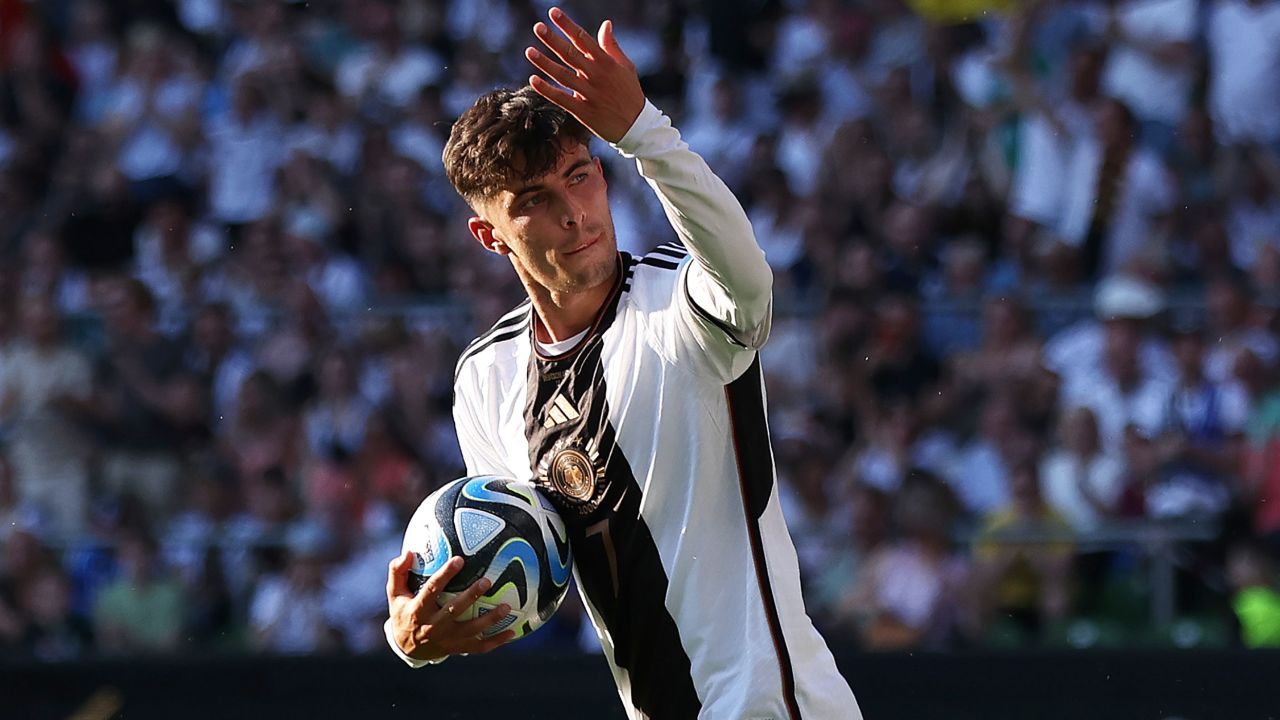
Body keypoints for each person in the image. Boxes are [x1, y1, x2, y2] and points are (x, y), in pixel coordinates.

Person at [384, 7, 860, 719]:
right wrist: (423, 633)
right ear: (489, 235)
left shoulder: (682, 304)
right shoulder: (485, 379)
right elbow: (530, 565)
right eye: (537, 200)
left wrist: (643, 130)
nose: (575, 212)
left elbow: (751, 283)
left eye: (581, 177)